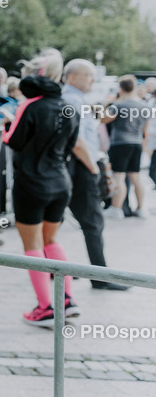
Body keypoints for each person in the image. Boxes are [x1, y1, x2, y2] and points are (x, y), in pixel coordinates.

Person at [3, 49, 81, 327]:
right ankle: (67, 300)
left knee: (33, 245)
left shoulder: (30, 105)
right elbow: (70, 146)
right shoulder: (69, 106)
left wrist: (7, 125)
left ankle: (46, 307)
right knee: (52, 241)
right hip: (60, 182)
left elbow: (13, 140)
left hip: (31, 183)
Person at [61, 60, 128, 291]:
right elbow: (77, 141)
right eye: (88, 75)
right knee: (92, 222)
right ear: (72, 77)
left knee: (68, 222)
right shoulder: (72, 101)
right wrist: (93, 167)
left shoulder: (78, 100)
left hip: (78, 169)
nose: (93, 80)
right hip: (81, 169)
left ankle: (59, 270)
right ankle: (99, 277)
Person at [101, 75, 148, 219]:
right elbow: (146, 129)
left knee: (119, 177)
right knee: (136, 177)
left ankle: (116, 209)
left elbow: (103, 119)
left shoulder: (118, 105)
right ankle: (140, 209)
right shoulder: (143, 106)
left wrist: (106, 104)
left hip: (120, 143)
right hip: (136, 143)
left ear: (120, 88)